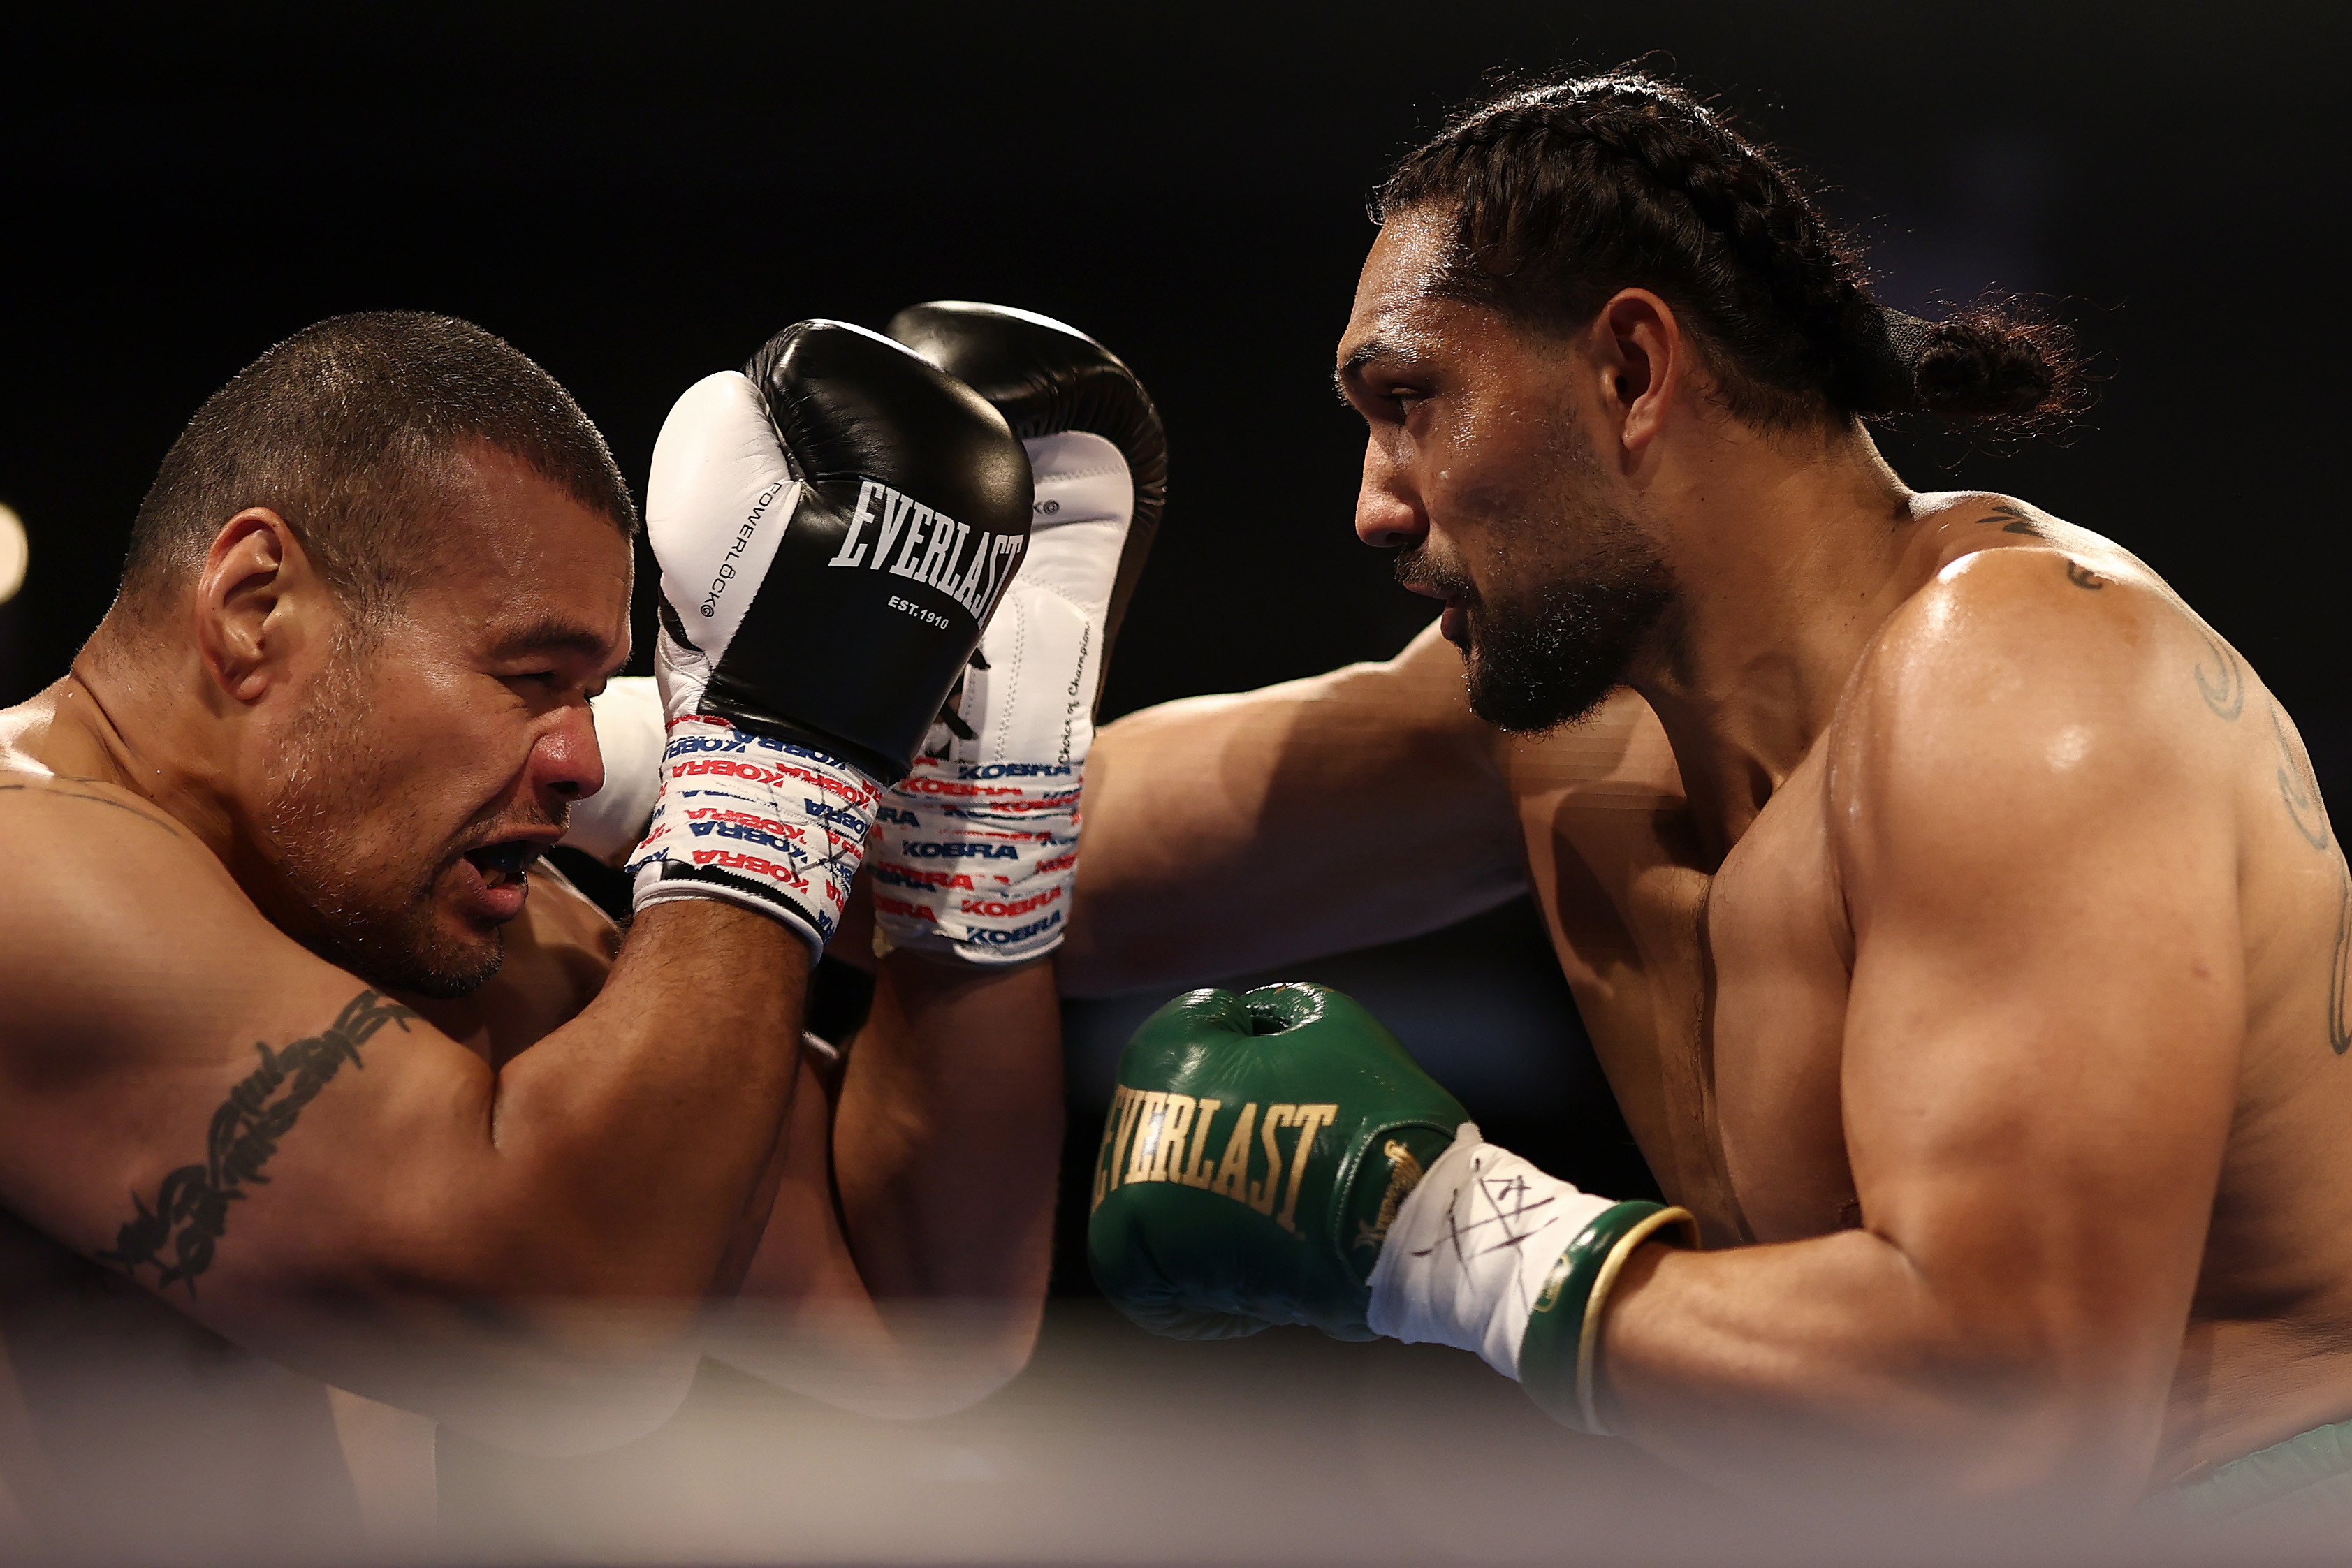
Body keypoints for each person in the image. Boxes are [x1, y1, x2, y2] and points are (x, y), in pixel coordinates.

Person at [1069, 72, 2352, 1527]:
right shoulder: (1570, 720)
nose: (1376, 499)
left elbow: (2019, 1411)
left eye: (1411, 400)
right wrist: (835, 686)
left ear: (1628, 372)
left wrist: (1440, 1235)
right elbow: (1035, 878)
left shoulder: (2019, 680)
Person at [0, 305, 1156, 1558]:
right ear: (254, 605)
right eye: (529, 677)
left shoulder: (396, 917)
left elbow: (920, 1308)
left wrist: (979, 808)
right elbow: (563, 1325)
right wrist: (775, 769)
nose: (579, 753)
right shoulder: (25, 877)